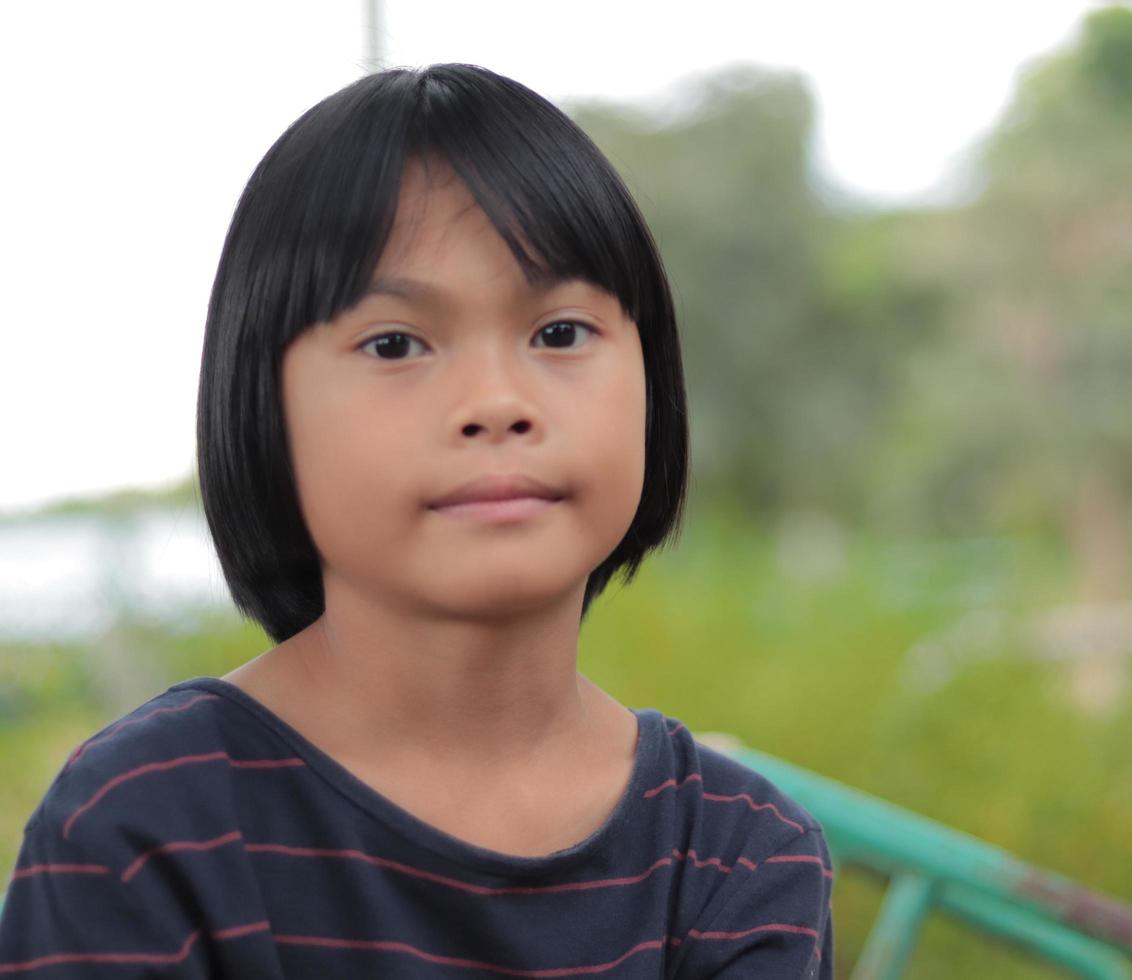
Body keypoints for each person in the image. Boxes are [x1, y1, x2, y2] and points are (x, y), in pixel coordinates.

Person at [0, 63, 834, 977]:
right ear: (264, 407)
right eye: (395, 344)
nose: (496, 403)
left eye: (559, 332)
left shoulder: (739, 855)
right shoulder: (144, 828)